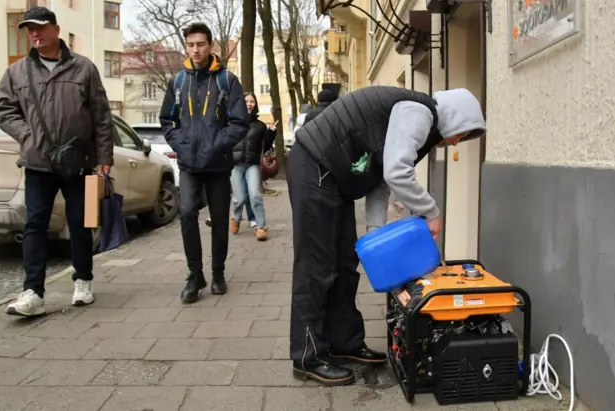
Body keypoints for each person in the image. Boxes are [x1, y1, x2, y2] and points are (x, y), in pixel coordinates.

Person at [287, 86, 486, 385]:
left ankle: (344, 343)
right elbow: (397, 172)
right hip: (315, 163)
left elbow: (379, 179)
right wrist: (431, 212)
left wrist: (374, 234)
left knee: (343, 264)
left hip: (332, 176)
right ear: (455, 116)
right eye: (463, 132)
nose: (457, 141)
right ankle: (308, 356)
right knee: (317, 266)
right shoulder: (419, 113)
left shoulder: (416, 121)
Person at [0, 7, 114, 316]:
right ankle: (33, 291)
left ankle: (83, 281)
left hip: (80, 162)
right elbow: (4, 109)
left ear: (56, 30)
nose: (34, 33)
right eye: (29, 29)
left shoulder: (84, 69)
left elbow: (101, 117)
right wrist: (26, 134)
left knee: (81, 222)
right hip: (37, 162)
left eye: (40, 27)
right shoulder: (17, 72)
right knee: (34, 224)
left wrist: (104, 159)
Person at [160, 22, 249, 304]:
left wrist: (215, 145)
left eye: (200, 44)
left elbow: (239, 123)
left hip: (218, 163)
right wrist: (181, 145)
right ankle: (194, 274)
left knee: (220, 219)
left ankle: (218, 272)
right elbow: (167, 121)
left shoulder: (226, 80)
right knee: (186, 213)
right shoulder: (178, 82)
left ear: (210, 45)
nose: (195, 50)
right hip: (188, 163)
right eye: (190, 45)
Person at [230, 92, 277, 241]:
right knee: (239, 198)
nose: (249, 104)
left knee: (255, 195)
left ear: (255, 104)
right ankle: (235, 218)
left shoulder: (259, 126)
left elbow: (266, 146)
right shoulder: (233, 123)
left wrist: (271, 133)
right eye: (246, 101)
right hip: (235, 165)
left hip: (252, 165)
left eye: (252, 101)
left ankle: (261, 227)